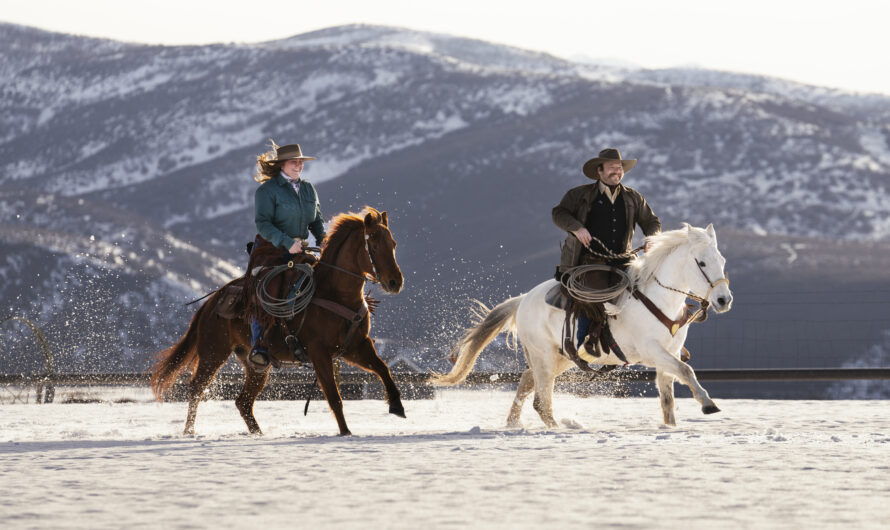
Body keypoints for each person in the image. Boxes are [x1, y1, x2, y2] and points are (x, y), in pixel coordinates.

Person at [552, 148, 661, 370]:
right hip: (590, 261)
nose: (617, 171)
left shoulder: (633, 197)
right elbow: (559, 213)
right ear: (599, 171)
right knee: (592, 295)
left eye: (619, 168)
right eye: (612, 167)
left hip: (624, 261)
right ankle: (585, 346)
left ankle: (652, 340)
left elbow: (652, 222)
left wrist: (652, 238)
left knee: (648, 290)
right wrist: (577, 228)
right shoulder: (580, 195)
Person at [246, 141, 326, 368]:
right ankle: (259, 345)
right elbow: (263, 224)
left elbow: (317, 220)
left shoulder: (309, 188)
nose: (299, 165)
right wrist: (286, 242)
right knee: (267, 289)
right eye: (294, 162)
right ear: (282, 164)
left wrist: (323, 239)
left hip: (299, 250)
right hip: (270, 250)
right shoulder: (267, 191)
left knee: (323, 280)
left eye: (301, 162)